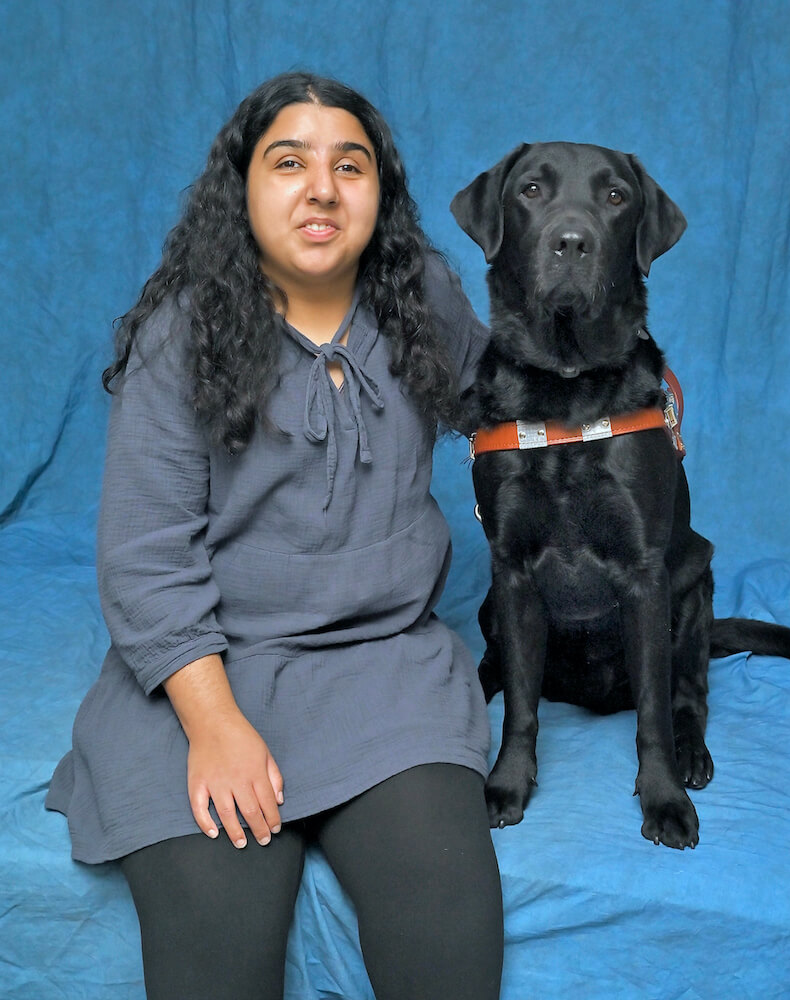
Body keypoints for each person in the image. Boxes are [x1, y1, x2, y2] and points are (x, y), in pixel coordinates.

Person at [46, 71, 503, 1000]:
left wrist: (631, 403)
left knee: (448, 961)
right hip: (210, 674)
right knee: (219, 966)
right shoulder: (184, 334)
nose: (323, 189)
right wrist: (215, 729)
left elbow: (508, 402)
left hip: (383, 667)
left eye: (351, 165)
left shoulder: (422, 299)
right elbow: (145, 558)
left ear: (381, 192)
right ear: (242, 188)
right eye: (288, 162)